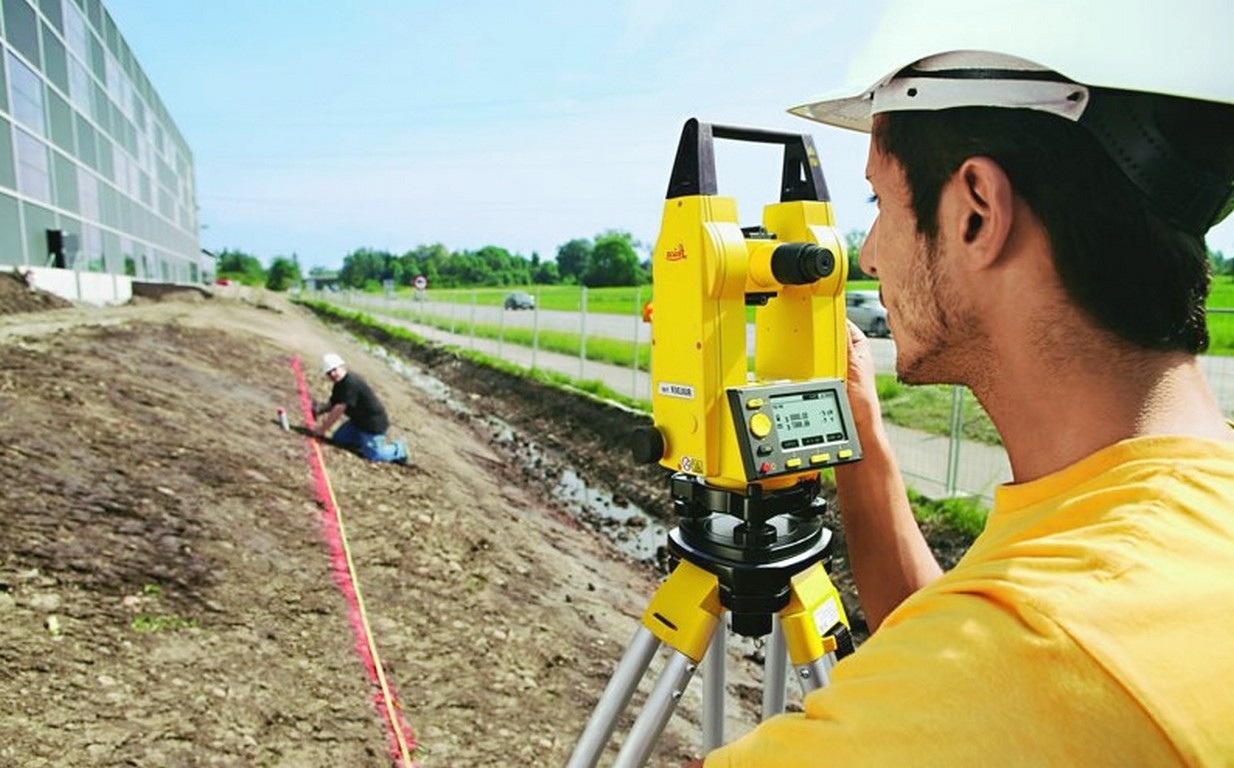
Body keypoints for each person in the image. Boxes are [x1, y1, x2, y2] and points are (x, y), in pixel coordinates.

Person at [701, 0, 1234, 764]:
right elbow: (951, 635)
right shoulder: (1154, 533)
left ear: (976, 212)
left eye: (878, 203)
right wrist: (858, 435)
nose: (873, 256)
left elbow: (992, 670)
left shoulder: (1030, 656)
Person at [313, 353, 409, 464]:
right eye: (329, 373)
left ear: (341, 366)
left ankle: (399, 448)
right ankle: (361, 441)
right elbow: (334, 402)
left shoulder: (350, 383)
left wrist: (322, 429)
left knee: (374, 455)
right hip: (357, 423)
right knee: (339, 440)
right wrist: (320, 409)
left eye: (334, 369)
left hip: (372, 425)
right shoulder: (339, 384)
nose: (333, 374)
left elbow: (339, 408)